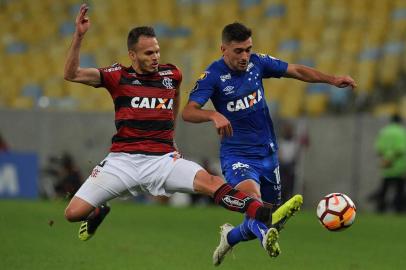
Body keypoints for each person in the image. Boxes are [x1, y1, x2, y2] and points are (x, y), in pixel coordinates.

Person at [63, 5, 297, 248]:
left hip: (162, 160)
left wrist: (170, 136)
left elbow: (173, 100)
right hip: (122, 161)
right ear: (132, 55)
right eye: (148, 54)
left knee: (211, 182)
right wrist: (79, 36)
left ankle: (260, 211)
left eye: (157, 51)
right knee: (73, 214)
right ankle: (97, 213)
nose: (155, 57)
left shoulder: (171, 74)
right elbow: (71, 74)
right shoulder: (116, 76)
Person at [182, 22, 356, 265]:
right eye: (238, 51)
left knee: (266, 217)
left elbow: (295, 70)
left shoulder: (257, 63)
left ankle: (230, 236)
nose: (245, 56)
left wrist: (332, 79)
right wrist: (213, 114)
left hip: (268, 154)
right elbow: (188, 112)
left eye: (248, 49)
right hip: (237, 156)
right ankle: (265, 238)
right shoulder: (213, 76)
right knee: (254, 203)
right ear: (223, 49)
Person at [372, 114, 406, 213]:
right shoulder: (401, 132)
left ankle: (380, 209)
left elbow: (378, 149)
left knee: (384, 189)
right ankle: (398, 210)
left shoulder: (383, 132)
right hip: (399, 167)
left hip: (386, 167)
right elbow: (401, 149)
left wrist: (386, 159)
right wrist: (391, 158)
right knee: (399, 190)